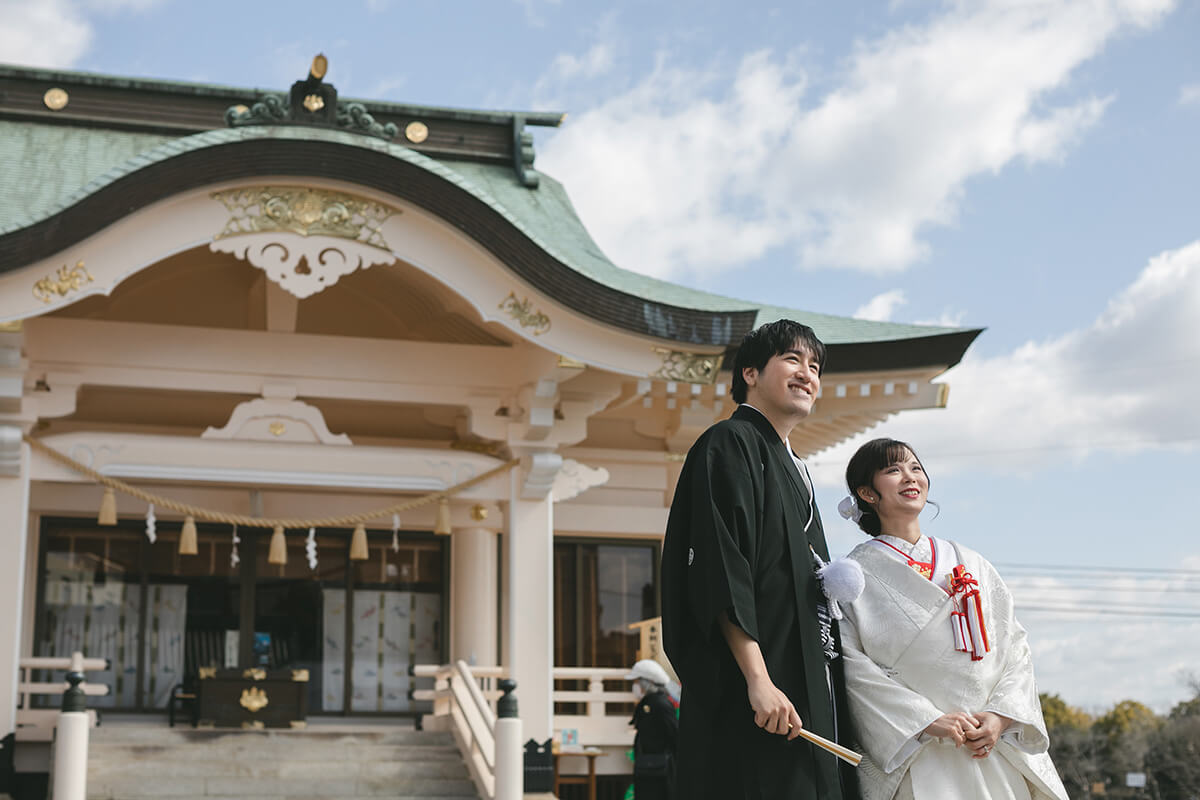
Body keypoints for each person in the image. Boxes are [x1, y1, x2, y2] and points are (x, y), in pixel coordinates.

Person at [661, 319, 858, 800]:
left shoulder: (798, 469)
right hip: (754, 689)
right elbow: (721, 570)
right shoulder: (728, 444)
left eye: (815, 367)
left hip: (806, 683)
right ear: (750, 372)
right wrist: (758, 679)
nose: (807, 374)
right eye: (792, 360)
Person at [838, 438, 1068, 800]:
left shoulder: (972, 562)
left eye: (915, 468)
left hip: (988, 745)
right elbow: (851, 667)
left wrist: (1000, 717)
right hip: (916, 750)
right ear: (867, 493)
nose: (910, 477)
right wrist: (924, 720)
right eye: (893, 470)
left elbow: (1014, 649)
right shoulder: (854, 575)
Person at [626, 659, 678, 800]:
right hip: (647, 770)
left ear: (647, 682)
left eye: (636, 682)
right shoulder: (648, 703)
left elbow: (674, 735)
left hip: (660, 772)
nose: (635, 686)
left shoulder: (661, 705)